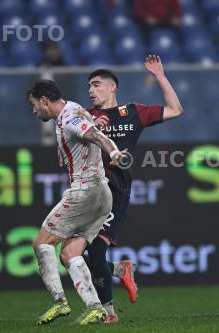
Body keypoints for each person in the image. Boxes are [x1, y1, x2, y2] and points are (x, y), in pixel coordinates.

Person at [85, 55, 183, 323]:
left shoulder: (135, 112)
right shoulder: (86, 117)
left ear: (112, 87)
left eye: (96, 85)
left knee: (94, 251)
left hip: (115, 191)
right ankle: (120, 269)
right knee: (72, 255)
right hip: (88, 192)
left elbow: (175, 110)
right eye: (89, 87)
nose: (91, 91)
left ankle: (109, 314)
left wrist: (160, 77)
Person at [26, 80, 128, 325]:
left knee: (42, 243)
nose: (33, 111)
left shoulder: (69, 117)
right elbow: (90, 128)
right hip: (103, 195)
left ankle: (59, 302)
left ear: (44, 100)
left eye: (33, 105)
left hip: (85, 191)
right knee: (70, 252)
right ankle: (96, 308)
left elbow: (95, 135)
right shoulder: (75, 108)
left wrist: (113, 152)